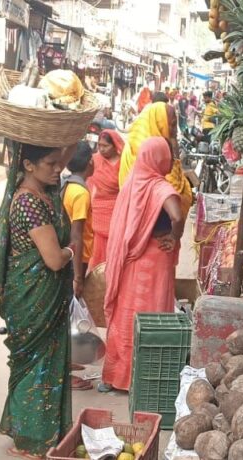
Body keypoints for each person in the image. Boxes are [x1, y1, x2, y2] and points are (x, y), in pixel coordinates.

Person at [0, 143, 75, 458]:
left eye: (59, 162)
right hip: (32, 298)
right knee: (35, 366)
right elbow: (54, 259)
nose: (58, 168)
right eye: (50, 163)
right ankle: (31, 439)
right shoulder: (29, 202)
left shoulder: (43, 194)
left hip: (41, 296)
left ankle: (35, 434)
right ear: (28, 164)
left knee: (42, 363)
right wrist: (72, 250)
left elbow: (67, 151)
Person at [100, 137, 186, 393]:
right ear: (159, 158)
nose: (171, 159)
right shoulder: (159, 187)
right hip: (154, 262)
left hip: (129, 263)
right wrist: (175, 236)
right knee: (151, 318)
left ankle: (117, 376)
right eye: (168, 155)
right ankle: (145, 377)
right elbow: (177, 215)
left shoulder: (132, 183)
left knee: (126, 315)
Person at [118, 102, 193, 219]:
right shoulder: (150, 149)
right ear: (159, 123)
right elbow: (174, 188)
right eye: (172, 125)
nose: (175, 131)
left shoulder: (137, 141)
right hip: (149, 218)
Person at [63, 142, 95, 299]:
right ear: (90, 161)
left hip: (68, 253)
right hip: (77, 258)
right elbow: (77, 234)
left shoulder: (67, 184)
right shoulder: (81, 193)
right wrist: (78, 277)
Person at [88, 129, 124, 270]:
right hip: (97, 211)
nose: (101, 149)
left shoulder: (124, 162)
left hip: (117, 212)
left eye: (105, 146)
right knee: (98, 251)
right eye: (99, 145)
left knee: (116, 249)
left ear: (115, 145)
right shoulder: (94, 160)